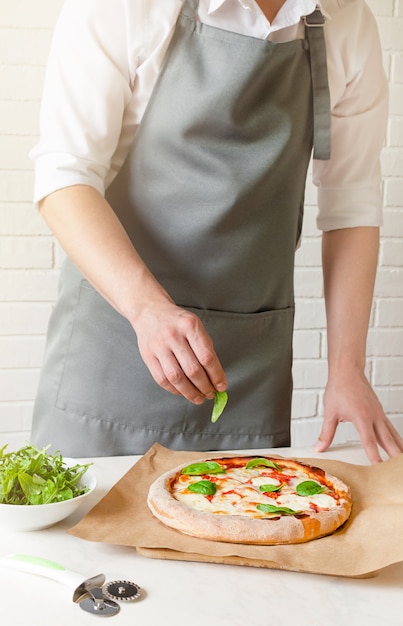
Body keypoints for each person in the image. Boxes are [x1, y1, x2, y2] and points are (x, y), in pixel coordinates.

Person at [29, 0, 403, 462]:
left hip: (249, 371)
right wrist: (148, 311)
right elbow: (64, 179)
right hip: (117, 348)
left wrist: (347, 368)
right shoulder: (126, 7)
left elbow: (351, 204)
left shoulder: (348, 23)